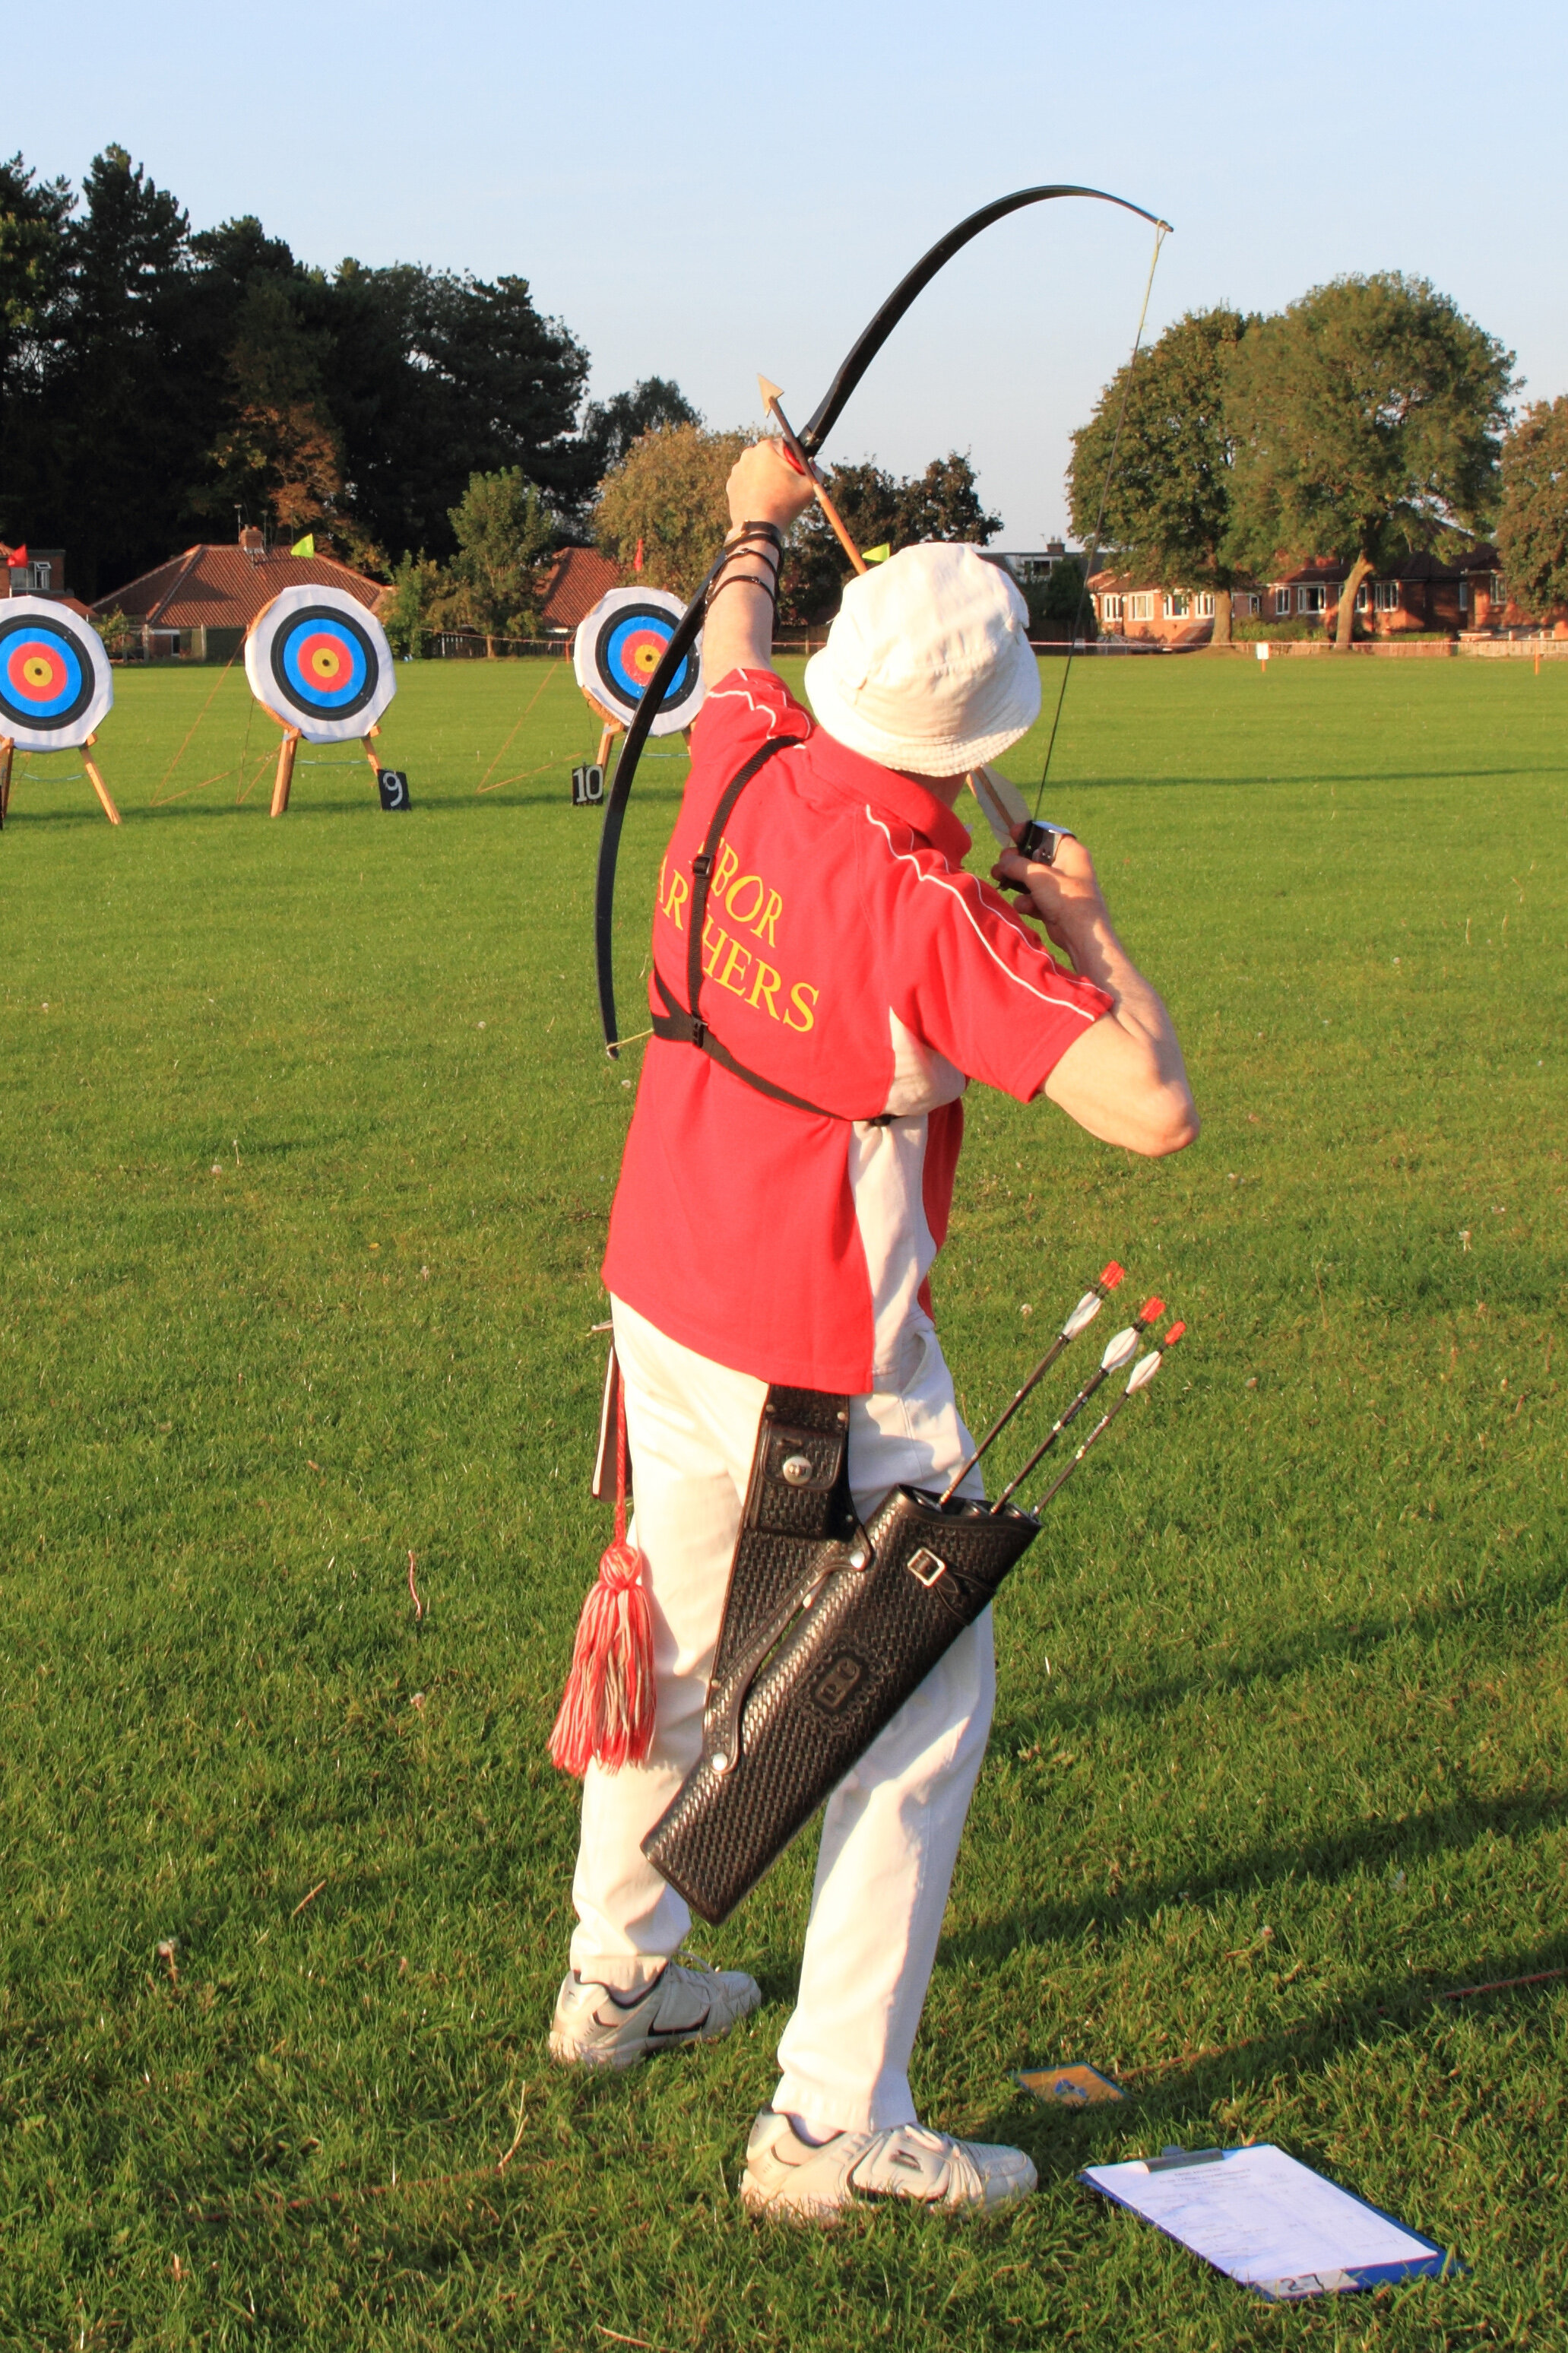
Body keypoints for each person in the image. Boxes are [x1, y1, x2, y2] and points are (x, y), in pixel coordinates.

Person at [549, 439, 1197, 2221]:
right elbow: (1154, 1108)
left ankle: (613, 1986)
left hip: (659, 1289)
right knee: (910, 1691)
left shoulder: (744, 739)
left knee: (672, 1649)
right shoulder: (939, 918)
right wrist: (1089, 921)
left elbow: (735, 629)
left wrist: (751, 515)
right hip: (818, 1361)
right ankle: (832, 2128)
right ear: (981, 752)